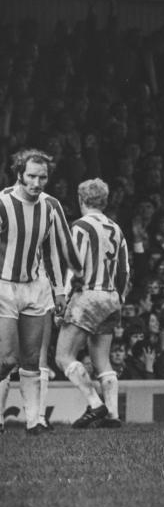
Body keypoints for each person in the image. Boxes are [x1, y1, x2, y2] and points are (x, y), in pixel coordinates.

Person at [0, 149, 80, 435]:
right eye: (31, 176)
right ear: (19, 174)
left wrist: (60, 290)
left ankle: (34, 421)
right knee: (6, 359)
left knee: (32, 360)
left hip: (36, 288)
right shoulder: (3, 202)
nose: (36, 182)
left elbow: (56, 250)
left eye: (42, 177)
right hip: (3, 287)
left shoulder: (52, 206)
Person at [54, 178, 130, 428]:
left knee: (64, 357)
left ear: (81, 199)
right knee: (101, 359)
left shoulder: (80, 227)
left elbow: (74, 266)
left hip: (88, 294)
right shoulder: (116, 229)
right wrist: (119, 297)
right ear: (105, 201)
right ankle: (113, 415)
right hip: (111, 297)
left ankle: (95, 404)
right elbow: (125, 271)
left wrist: (62, 298)